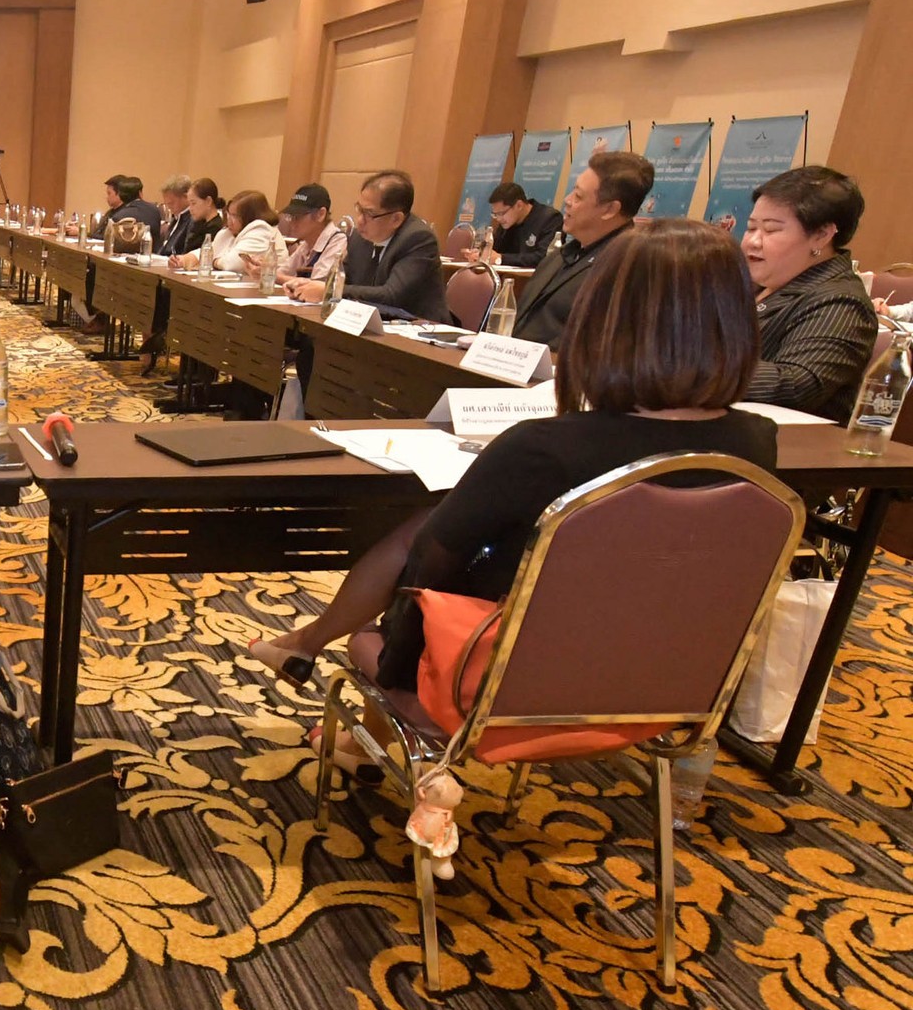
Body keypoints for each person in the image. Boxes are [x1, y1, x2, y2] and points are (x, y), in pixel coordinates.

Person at [245, 220, 776, 705]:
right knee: (431, 530)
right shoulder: (756, 443)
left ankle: (342, 674)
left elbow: (430, 570)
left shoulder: (544, 447)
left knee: (416, 556)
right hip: (662, 682)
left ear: (604, 320)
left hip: (506, 679)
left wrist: (396, 662)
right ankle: (318, 665)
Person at [742, 166, 875, 421]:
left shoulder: (841, 301)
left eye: (770, 230)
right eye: (750, 228)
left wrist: (694, 371)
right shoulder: (746, 283)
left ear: (821, 235)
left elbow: (797, 383)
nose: (753, 241)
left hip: (791, 440)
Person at [510, 151, 652, 348]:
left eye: (578, 196)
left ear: (610, 209)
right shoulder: (559, 257)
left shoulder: (628, 270)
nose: (567, 200)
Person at [287, 170, 449, 322]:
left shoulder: (418, 239)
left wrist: (328, 291)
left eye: (369, 214)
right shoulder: (359, 237)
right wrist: (306, 285)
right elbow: (343, 280)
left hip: (420, 329)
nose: (359, 220)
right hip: (369, 322)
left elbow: (391, 296)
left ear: (396, 219)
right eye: (359, 209)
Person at [180, 189, 287, 273]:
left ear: (250, 216)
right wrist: (184, 259)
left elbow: (232, 264)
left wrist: (213, 261)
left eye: (235, 216)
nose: (229, 221)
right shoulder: (231, 232)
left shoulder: (261, 230)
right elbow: (210, 249)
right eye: (228, 214)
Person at [471, 182, 561, 269]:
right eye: (495, 214)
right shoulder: (507, 222)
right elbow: (494, 249)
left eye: (501, 213)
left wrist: (500, 259)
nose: (498, 219)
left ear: (519, 205)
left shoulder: (550, 219)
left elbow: (545, 257)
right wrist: (481, 254)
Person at [277, 183, 349, 286]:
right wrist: (264, 270)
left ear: (320, 214)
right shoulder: (306, 243)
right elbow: (283, 272)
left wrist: (272, 275)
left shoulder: (337, 241)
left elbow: (317, 285)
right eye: (291, 216)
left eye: (298, 216)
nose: (292, 222)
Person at [158, 176, 200, 257]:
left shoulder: (193, 219)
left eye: (171, 203)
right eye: (166, 204)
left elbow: (184, 251)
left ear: (186, 197)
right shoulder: (176, 218)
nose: (168, 207)